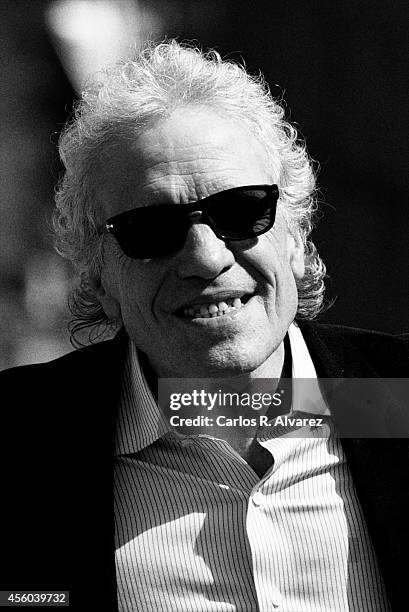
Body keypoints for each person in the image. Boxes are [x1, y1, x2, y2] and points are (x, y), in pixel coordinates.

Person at [1, 40, 408, 612]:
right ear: (97, 278)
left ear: (294, 237)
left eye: (242, 210)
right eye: (150, 228)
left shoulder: (394, 401)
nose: (206, 258)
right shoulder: (22, 443)